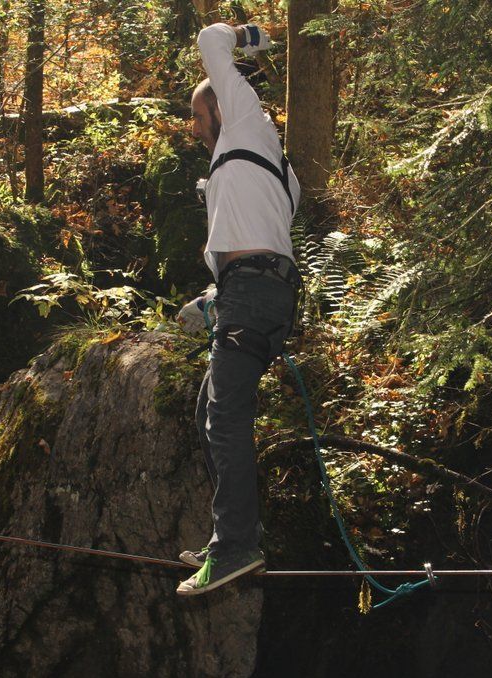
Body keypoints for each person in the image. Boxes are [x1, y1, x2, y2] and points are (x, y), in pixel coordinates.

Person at [175, 21, 302, 596]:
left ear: (224, 108)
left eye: (198, 113)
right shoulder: (256, 164)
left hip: (253, 296)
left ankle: (235, 546)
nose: (193, 125)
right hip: (254, 294)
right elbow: (260, 235)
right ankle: (231, 535)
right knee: (211, 408)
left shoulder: (247, 121)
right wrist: (212, 299)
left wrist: (253, 37)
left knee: (225, 417)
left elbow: (210, 40)